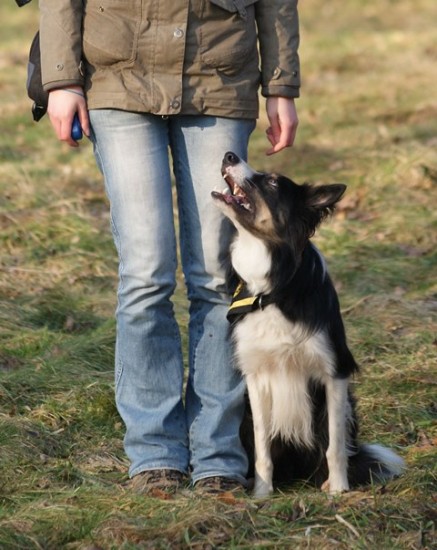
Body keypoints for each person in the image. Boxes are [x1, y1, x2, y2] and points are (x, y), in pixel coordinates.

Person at [39, 0, 300, 494]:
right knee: (145, 274)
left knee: (216, 279)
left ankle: (219, 457)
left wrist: (282, 84)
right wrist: (62, 78)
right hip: (117, 76)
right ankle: (154, 453)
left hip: (219, 76)